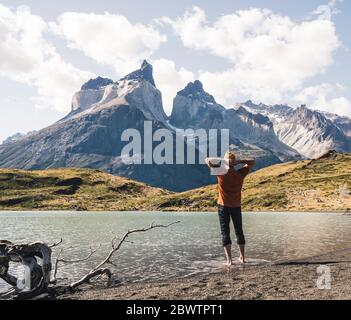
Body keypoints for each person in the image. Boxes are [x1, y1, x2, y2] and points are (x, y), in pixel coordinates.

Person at [206, 151, 255, 267]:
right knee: (239, 231)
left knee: (225, 232)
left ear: (226, 162)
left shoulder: (221, 172)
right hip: (236, 206)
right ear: (233, 162)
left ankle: (229, 261)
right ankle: (242, 258)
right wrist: (239, 162)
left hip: (223, 206)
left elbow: (208, 160)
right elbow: (252, 162)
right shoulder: (241, 173)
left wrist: (225, 161)